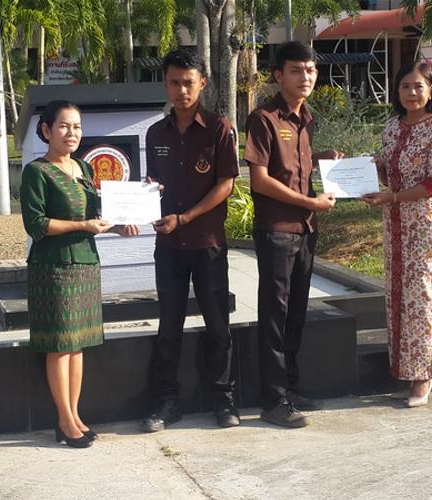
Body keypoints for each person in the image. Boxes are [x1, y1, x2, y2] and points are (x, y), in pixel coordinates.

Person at [21, 100, 138, 448]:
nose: (71, 133)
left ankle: (74, 415)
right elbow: (36, 224)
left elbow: (95, 217)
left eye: (77, 126)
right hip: (54, 267)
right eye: (63, 126)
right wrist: (83, 226)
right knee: (60, 346)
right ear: (46, 130)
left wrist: (117, 226)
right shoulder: (37, 172)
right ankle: (64, 419)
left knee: (78, 345)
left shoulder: (84, 167)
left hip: (86, 263)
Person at [139, 48, 240, 433]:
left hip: (207, 242)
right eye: (174, 83)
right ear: (165, 85)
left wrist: (184, 218)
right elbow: (153, 182)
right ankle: (166, 402)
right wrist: (148, 195)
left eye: (188, 83)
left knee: (218, 326)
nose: (181, 90)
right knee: (169, 327)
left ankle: (223, 399)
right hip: (168, 247)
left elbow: (226, 185)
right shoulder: (156, 133)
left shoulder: (218, 129)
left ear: (203, 83)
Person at [244, 41, 342, 428]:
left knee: (296, 314)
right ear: (278, 75)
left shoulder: (306, 119)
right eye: (297, 70)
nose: (306, 77)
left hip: (305, 230)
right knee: (275, 315)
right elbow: (261, 180)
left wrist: (322, 160)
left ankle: (289, 387)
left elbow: (294, 166)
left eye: (311, 70)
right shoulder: (264, 118)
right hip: (278, 231)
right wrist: (309, 202)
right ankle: (273, 400)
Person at [361, 62, 432, 407]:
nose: (412, 93)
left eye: (418, 86)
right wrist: (372, 169)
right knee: (397, 295)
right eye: (405, 87)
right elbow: (389, 174)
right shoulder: (391, 127)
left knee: (421, 296)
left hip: (422, 223)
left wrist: (393, 198)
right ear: (396, 91)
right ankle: (404, 370)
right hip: (394, 222)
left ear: (430, 90)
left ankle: (424, 376)